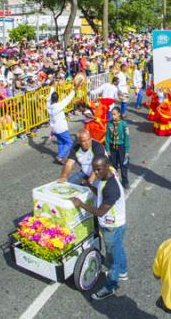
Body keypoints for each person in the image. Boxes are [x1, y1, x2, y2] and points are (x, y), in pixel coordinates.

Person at [71, 155, 127, 300]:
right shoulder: (104, 177)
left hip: (112, 226)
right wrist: (90, 186)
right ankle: (123, 271)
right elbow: (100, 193)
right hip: (115, 225)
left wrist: (80, 204)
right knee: (118, 247)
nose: (95, 173)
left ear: (107, 165)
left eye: (98, 170)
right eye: (94, 170)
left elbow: (100, 211)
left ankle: (110, 287)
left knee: (112, 257)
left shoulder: (112, 188)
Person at [47, 89, 76, 164]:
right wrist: (74, 90)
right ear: (58, 98)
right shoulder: (58, 106)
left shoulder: (48, 106)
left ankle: (61, 158)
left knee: (61, 143)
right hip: (61, 128)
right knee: (69, 143)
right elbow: (68, 99)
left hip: (54, 129)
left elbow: (48, 99)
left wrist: (52, 88)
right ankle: (60, 156)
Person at [106, 107, 131, 188]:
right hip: (112, 147)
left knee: (123, 164)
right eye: (112, 114)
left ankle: (125, 181)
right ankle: (115, 181)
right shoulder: (109, 124)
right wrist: (108, 149)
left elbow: (127, 138)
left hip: (121, 147)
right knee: (113, 165)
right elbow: (107, 138)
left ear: (119, 114)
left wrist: (127, 151)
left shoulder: (124, 124)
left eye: (114, 114)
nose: (113, 116)